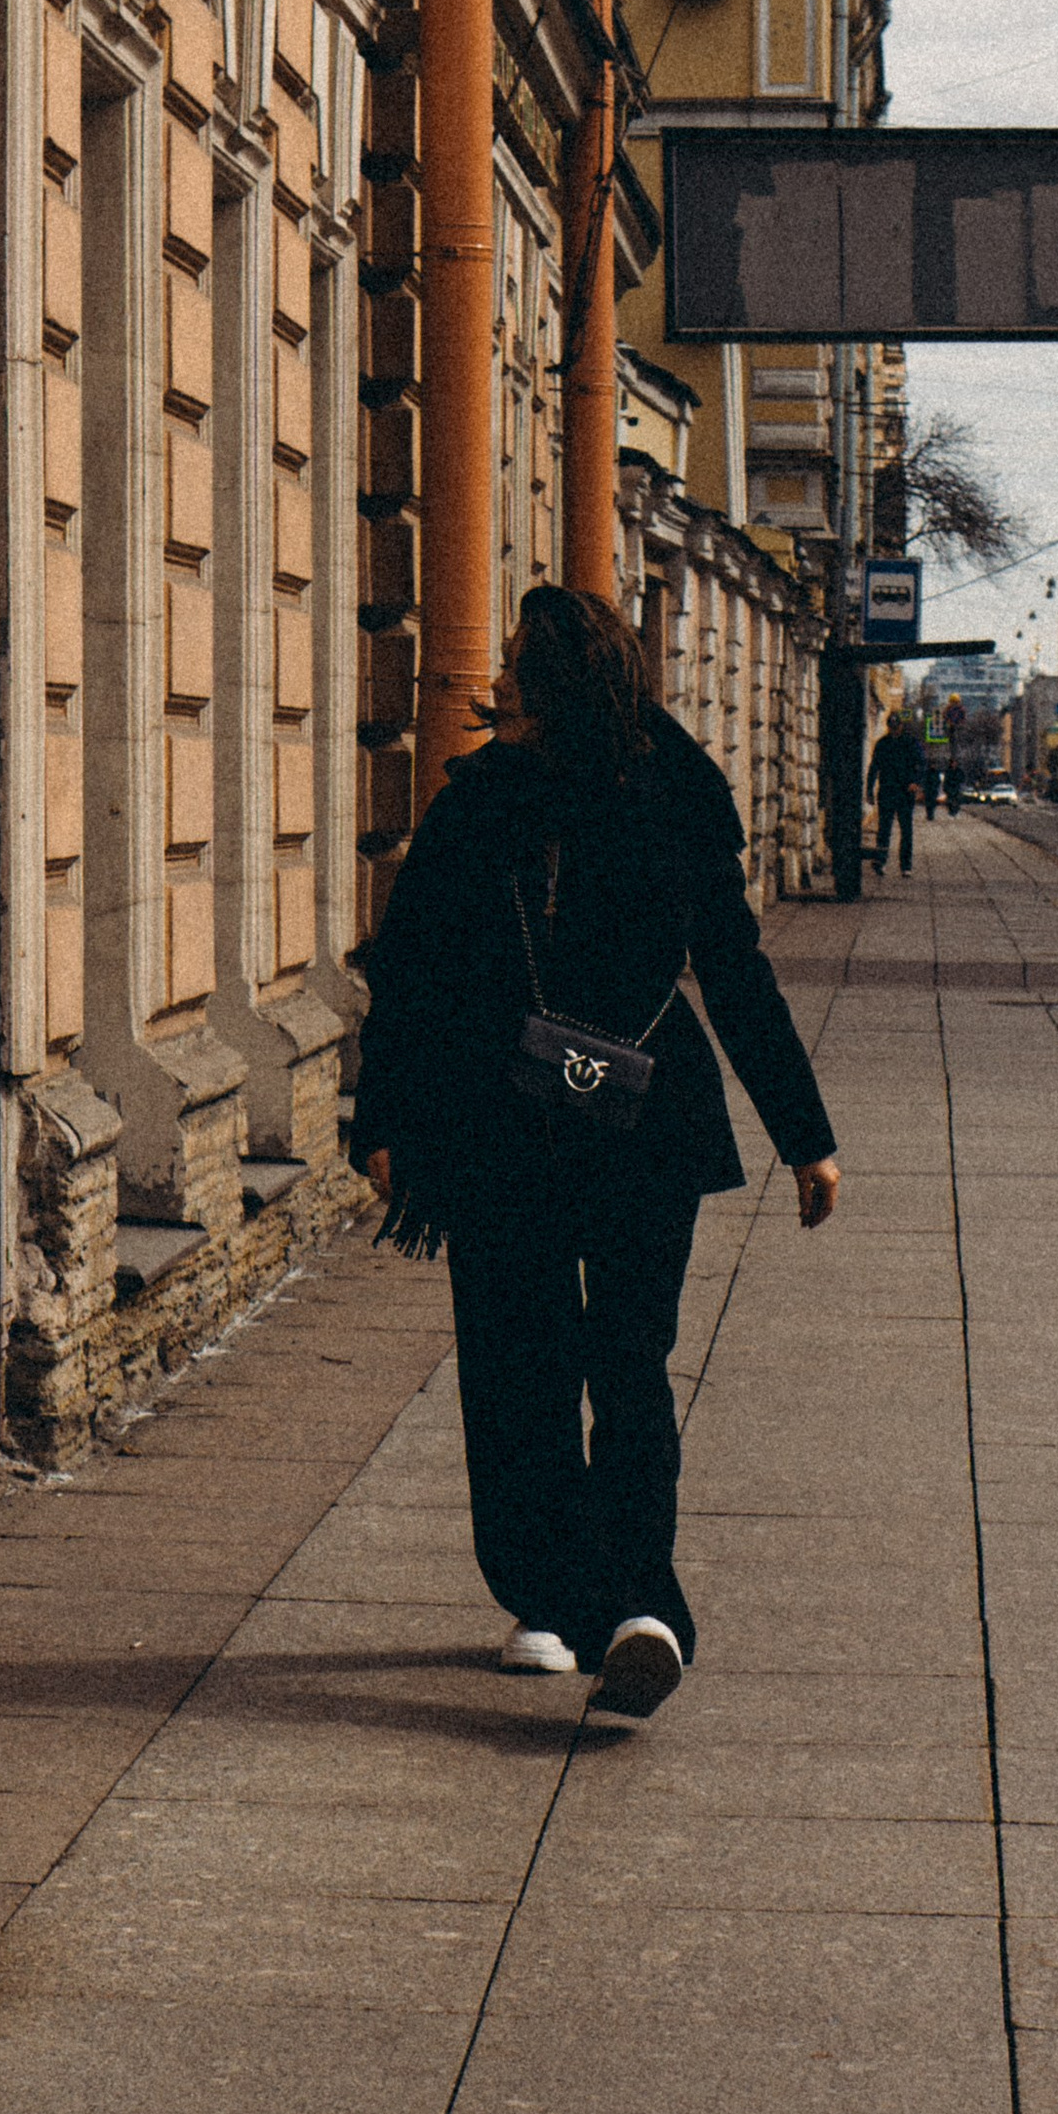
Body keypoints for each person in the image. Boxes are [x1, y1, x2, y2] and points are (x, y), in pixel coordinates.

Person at [351, 584, 840, 1722]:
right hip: (502, 1125)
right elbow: (410, 968)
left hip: (639, 1129)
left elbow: (735, 972)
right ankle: (551, 1600)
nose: (499, 678)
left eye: (520, 661)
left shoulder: (673, 798)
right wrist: (381, 1117)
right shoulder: (478, 802)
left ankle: (640, 1606)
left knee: (623, 1361)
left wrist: (804, 1137)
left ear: (568, 680)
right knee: (523, 1363)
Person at [868, 713, 922, 873]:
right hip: (887, 790)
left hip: (905, 791)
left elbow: (920, 763)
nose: (894, 731)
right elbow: (874, 768)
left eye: (896, 727)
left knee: (906, 830)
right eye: (891, 728)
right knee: (884, 829)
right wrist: (869, 790)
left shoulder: (910, 743)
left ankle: (906, 865)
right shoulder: (882, 744)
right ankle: (881, 860)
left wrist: (915, 782)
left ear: (901, 726)